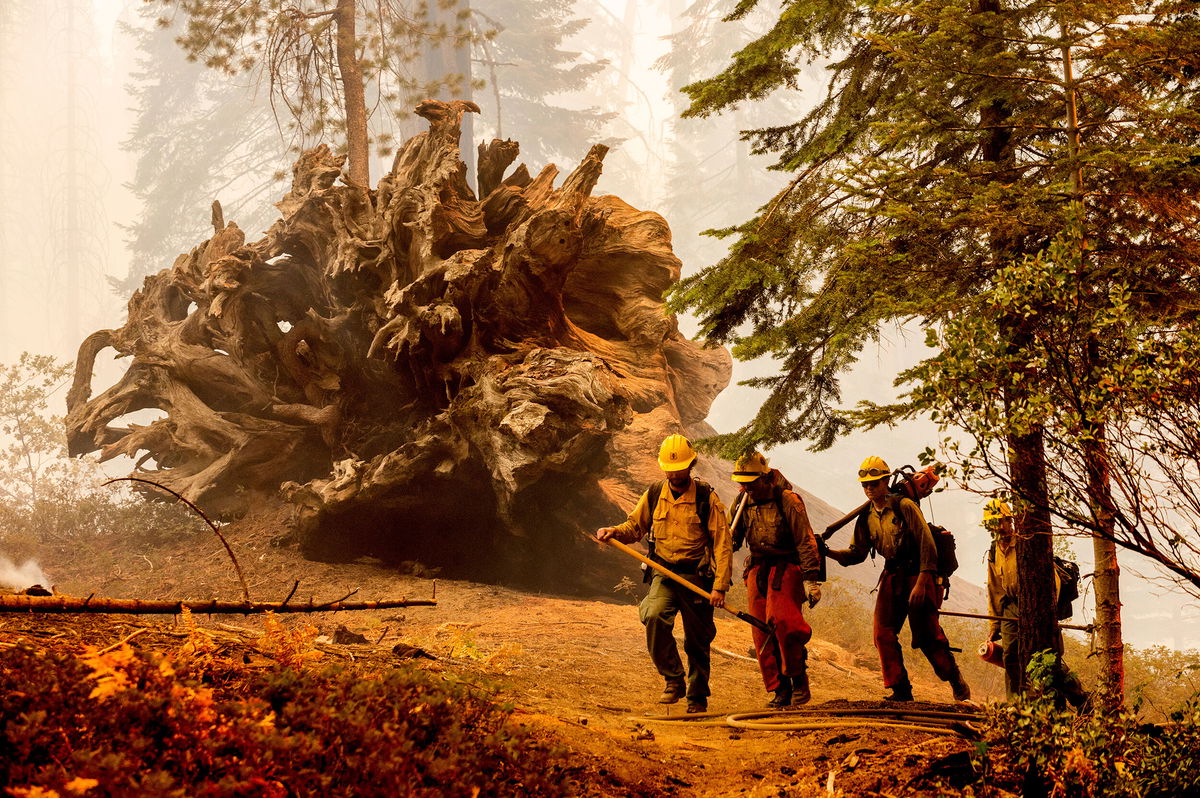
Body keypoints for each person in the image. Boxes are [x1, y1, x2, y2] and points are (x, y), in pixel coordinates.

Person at [595, 434, 733, 714]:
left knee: (698, 640)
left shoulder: (707, 498)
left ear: (691, 465)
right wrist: (615, 531)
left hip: (696, 577)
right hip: (663, 572)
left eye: (680, 468)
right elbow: (636, 526)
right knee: (653, 615)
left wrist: (719, 587)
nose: (674, 473)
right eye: (670, 469)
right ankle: (673, 679)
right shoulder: (655, 493)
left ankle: (697, 697)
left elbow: (722, 544)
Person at [825, 456, 971, 702]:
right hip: (892, 575)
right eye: (865, 485)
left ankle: (955, 680)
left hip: (920, 574)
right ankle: (900, 689)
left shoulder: (905, 506)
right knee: (882, 634)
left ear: (885, 482)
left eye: (875, 483)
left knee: (927, 636)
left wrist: (924, 582)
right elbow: (856, 554)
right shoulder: (866, 517)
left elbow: (927, 544)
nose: (869, 488)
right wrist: (826, 551)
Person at [729, 451, 822, 708]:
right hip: (758, 568)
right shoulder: (741, 502)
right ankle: (779, 689)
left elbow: (805, 539)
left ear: (765, 477)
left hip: (786, 567)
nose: (747, 487)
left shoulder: (788, 500)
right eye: (742, 482)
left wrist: (811, 579)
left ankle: (797, 676)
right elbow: (733, 540)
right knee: (761, 632)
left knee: (784, 622)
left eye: (751, 482)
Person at [984, 499, 1088, 707]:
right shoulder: (995, 550)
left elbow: (1053, 581)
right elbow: (994, 588)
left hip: (1038, 606)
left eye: (1001, 521)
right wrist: (994, 624)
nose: (997, 527)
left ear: (1010, 520)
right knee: (1011, 655)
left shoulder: (1027, 543)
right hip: (1011, 606)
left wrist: (1044, 612)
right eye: (992, 524)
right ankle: (1018, 704)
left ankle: (1080, 698)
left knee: (1046, 657)